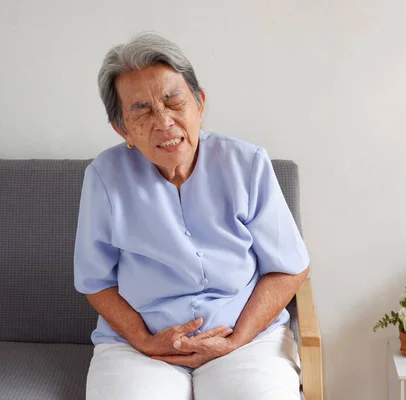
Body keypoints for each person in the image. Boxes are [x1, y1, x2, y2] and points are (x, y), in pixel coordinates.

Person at [74, 32, 310, 400]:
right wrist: (144, 340)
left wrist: (238, 340)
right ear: (123, 130)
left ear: (199, 104)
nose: (164, 122)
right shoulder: (104, 178)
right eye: (142, 109)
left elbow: (290, 268)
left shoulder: (248, 165)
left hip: (247, 340)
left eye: (173, 101)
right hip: (140, 348)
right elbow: (95, 281)